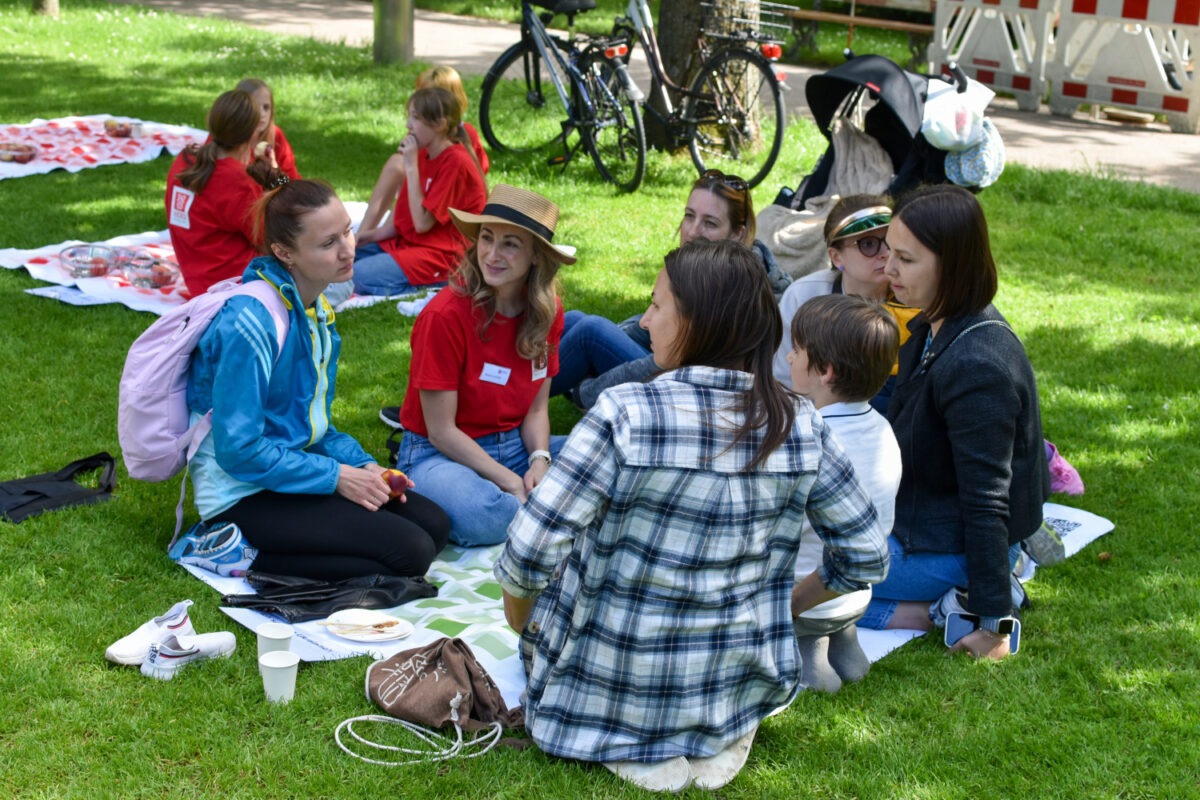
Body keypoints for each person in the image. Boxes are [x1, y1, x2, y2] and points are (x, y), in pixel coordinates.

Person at [494, 239, 889, 793]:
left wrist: (525, 625)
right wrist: (784, 608)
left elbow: (527, 556)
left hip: (605, 697)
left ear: (699, 323)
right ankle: (699, 743)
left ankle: (643, 746)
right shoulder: (801, 424)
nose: (646, 319)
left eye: (657, 306)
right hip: (732, 694)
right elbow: (866, 554)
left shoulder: (625, 413)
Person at [180, 178, 450, 581]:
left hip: (291, 467)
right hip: (241, 493)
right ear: (284, 253)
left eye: (347, 231)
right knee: (412, 554)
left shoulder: (315, 307)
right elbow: (238, 452)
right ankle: (230, 550)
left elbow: (311, 427)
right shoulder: (250, 324)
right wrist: (337, 478)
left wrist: (363, 466)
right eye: (328, 243)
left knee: (435, 525)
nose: (348, 249)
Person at [859, 184, 1051, 661]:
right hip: (921, 520)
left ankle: (945, 609)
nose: (887, 268)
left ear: (951, 265)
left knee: (801, 578)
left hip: (953, 547)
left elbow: (987, 503)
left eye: (905, 258)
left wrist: (991, 623)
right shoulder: (930, 324)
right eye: (889, 252)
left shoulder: (977, 366)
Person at [391, 185, 572, 547]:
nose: (491, 254)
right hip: (439, 455)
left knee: (607, 461)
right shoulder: (444, 317)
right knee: (488, 513)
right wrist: (510, 481)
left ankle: (542, 512)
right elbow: (441, 432)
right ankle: (554, 515)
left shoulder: (546, 312)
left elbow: (537, 408)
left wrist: (540, 459)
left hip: (517, 446)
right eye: (486, 238)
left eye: (510, 243)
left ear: (536, 255)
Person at [547, 169, 792, 409]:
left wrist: (585, 391)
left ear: (738, 234)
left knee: (591, 332)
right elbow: (644, 329)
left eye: (710, 223)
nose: (693, 231)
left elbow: (673, 364)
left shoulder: (731, 288)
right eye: (689, 216)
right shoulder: (702, 269)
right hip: (672, 363)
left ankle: (516, 404)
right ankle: (512, 380)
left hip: (692, 388)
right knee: (576, 321)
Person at [786, 294, 901, 693]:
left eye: (797, 350)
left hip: (808, 595)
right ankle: (848, 655)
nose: (787, 358)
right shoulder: (884, 430)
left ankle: (812, 670)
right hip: (858, 594)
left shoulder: (808, 438)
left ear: (826, 371)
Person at [771, 194, 918, 412]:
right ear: (836, 256)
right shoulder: (804, 296)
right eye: (868, 244)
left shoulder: (915, 297)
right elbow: (783, 381)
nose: (886, 254)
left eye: (890, 241)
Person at [341, 86, 487, 300]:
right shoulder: (422, 153)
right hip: (411, 245)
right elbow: (403, 223)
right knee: (341, 259)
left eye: (415, 118)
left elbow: (421, 224)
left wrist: (411, 167)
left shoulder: (455, 162)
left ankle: (436, 284)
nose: (408, 125)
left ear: (440, 125)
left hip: (445, 256)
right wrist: (364, 236)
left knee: (358, 276)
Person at [166, 90, 286, 296]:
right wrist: (276, 182)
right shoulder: (237, 181)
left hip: (198, 281)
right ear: (252, 133)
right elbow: (273, 243)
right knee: (336, 280)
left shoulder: (184, 159)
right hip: (238, 285)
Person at [358, 65, 488, 235]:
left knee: (398, 164)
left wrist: (411, 166)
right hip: (425, 208)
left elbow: (475, 175)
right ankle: (363, 231)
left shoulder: (458, 148)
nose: (421, 100)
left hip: (444, 223)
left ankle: (365, 234)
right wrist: (379, 233)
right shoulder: (424, 139)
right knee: (396, 163)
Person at [236, 77, 301, 180]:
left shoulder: (275, 134)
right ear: (240, 108)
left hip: (274, 193)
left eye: (266, 107)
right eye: (255, 107)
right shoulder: (228, 135)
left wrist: (276, 178)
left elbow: (290, 177)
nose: (262, 114)